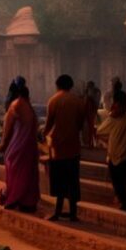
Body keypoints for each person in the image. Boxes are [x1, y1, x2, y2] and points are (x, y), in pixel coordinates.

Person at [43, 74, 86, 222]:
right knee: (72, 181)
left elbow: (49, 124)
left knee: (59, 181)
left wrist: (43, 135)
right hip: (73, 147)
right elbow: (80, 124)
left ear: (57, 85)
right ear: (71, 85)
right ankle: (73, 213)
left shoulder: (53, 100)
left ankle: (57, 212)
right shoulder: (78, 101)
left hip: (57, 148)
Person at [0, 86, 39, 212]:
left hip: (17, 146)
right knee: (29, 175)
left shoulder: (14, 105)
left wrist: (2, 146)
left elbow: (7, 129)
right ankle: (28, 203)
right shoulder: (30, 108)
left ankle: (13, 199)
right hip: (30, 147)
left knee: (14, 172)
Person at [96, 89, 126, 211]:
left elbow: (99, 132)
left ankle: (124, 202)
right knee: (121, 180)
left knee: (118, 181)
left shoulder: (119, 119)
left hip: (120, 155)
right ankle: (122, 200)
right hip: (125, 154)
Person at [82, 81, 100, 148]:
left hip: (91, 112)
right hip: (87, 113)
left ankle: (91, 143)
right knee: (88, 128)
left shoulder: (96, 92)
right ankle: (89, 143)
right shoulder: (86, 92)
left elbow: (95, 103)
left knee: (91, 128)